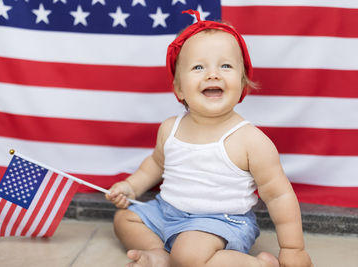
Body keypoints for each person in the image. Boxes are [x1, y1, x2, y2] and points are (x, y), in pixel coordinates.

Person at [106, 10, 313, 267]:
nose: (212, 74)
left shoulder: (250, 140)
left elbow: (279, 195)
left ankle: (259, 264)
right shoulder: (170, 128)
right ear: (179, 88)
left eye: (225, 66)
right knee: (125, 220)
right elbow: (155, 164)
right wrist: (131, 186)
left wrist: (293, 248)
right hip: (167, 211)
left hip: (222, 221)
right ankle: (159, 253)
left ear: (243, 82)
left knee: (188, 253)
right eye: (198, 67)